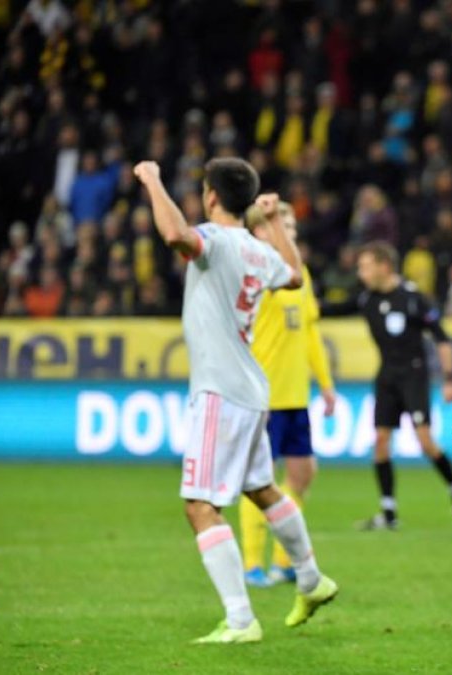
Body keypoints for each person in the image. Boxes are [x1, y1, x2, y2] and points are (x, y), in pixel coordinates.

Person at [134, 157, 338, 644]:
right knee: (262, 489)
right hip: (251, 389)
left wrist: (152, 181)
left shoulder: (219, 240)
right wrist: (270, 224)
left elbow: (175, 236)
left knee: (200, 505)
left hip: (220, 390)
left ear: (209, 197)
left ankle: (241, 619)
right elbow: (294, 274)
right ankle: (311, 579)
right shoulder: (255, 248)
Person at [239, 198, 338, 588]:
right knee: (259, 481)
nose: (290, 234)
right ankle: (251, 564)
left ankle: (284, 561)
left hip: (296, 395)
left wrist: (325, 384)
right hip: (263, 396)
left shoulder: (301, 274)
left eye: (293, 229)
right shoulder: (255, 270)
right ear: (260, 232)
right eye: (281, 227)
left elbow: (309, 332)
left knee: (301, 474)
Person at [343, 240, 452, 530]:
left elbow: (441, 338)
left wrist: (450, 379)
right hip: (387, 377)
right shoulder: (367, 299)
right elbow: (332, 308)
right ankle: (388, 512)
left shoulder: (414, 298)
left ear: (384, 266)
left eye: (365, 266)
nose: (361, 273)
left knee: (425, 442)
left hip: (414, 376)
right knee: (380, 441)